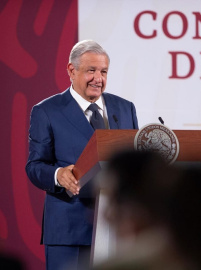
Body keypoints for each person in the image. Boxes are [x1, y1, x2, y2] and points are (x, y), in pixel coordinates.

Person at [25, 40, 138, 270]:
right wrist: (58, 175)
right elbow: (35, 165)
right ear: (71, 70)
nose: (99, 79)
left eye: (104, 71)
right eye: (91, 71)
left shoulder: (125, 108)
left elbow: (133, 159)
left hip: (118, 227)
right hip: (69, 228)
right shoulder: (46, 111)